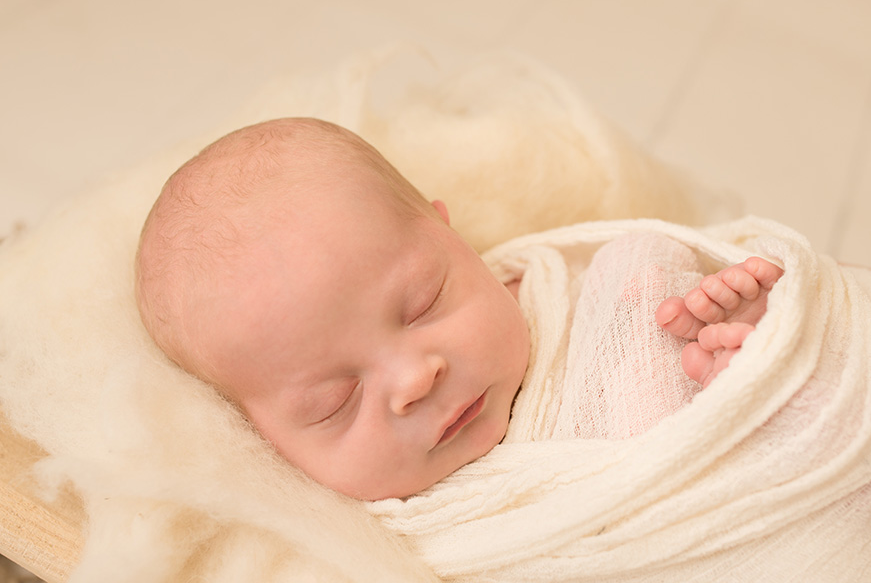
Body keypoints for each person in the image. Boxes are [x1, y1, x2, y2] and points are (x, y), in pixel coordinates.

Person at [135, 117, 783, 500]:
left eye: (421, 305)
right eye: (334, 402)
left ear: (457, 239)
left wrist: (732, 357)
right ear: (257, 437)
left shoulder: (577, 297)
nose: (417, 379)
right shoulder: (378, 538)